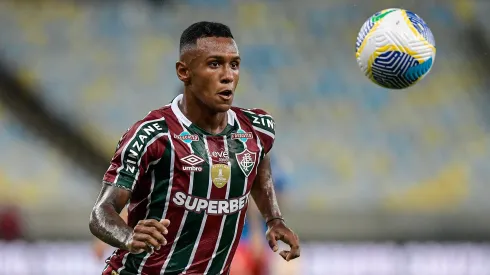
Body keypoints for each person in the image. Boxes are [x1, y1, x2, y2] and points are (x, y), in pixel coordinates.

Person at [89, 21, 300, 275]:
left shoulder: (257, 129)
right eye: (214, 64)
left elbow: (259, 162)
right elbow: (101, 213)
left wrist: (274, 218)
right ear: (184, 72)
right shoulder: (151, 135)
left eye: (234, 64)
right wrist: (128, 237)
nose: (228, 75)